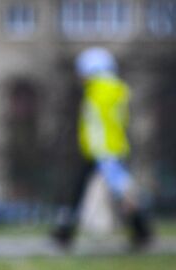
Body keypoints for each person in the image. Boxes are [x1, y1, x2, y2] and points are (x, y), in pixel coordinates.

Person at [52, 48, 153, 250]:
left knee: (118, 192)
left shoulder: (101, 91)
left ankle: (141, 231)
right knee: (116, 192)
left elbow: (99, 124)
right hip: (106, 151)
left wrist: (102, 153)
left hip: (103, 153)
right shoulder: (111, 89)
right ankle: (141, 231)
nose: (80, 76)